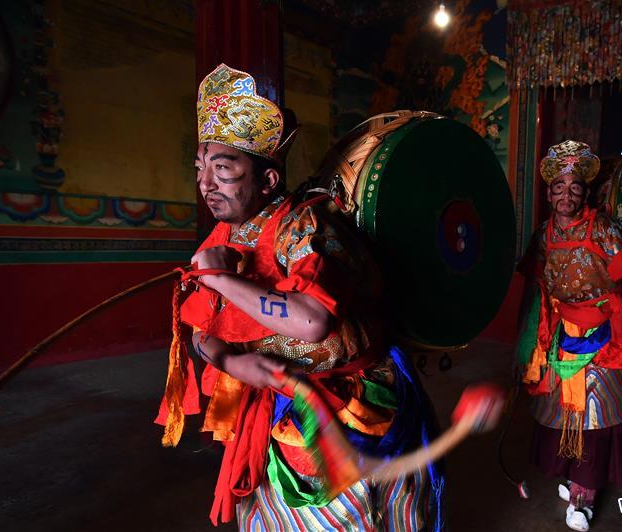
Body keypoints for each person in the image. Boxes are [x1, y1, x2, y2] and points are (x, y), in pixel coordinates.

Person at [155, 64, 443, 530]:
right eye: (200, 168)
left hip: (346, 397)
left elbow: (313, 322)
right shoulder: (221, 238)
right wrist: (230, 363)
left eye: (223, 169)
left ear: (267, 181)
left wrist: (225, 282)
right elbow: (197, 329)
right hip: (276, 400)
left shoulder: (304, 227)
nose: (205, 184)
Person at [516, 140, 622, 532]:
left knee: (596, 422)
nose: (566, 194)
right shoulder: (543, 236)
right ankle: (571, 476)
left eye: (574, 187)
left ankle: (585, 495)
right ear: (549, 192)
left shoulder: (605, 230)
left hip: (605, 339)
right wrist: (526, 346)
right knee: (563, 414)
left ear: (585, 190)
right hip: (562, 336)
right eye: (558, 187)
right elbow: (536, 294)